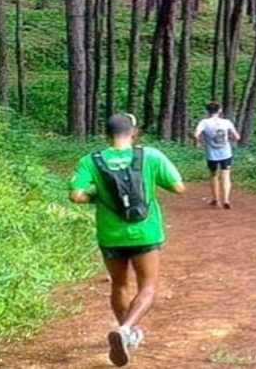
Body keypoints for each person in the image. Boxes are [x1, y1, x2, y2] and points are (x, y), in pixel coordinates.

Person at [70, 113, 185, 367]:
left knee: (119, 285)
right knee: (148, 286)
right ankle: (125, 330)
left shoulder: (90, 161)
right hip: (146, 232)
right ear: (134, 133)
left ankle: (128, 334)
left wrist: (96, 196)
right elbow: (179, 187)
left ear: (105, 134)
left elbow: (76, 195)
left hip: (110, 235)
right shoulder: (151, 156)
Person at [192, 101, 241, 209]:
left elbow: (195, 135)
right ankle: (226, 199)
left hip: (211, 155)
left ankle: (215, 199)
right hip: (226, 153)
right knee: (226, 175)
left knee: (214, 175)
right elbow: (237, 137)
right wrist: (229, 140)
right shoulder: (227, 122)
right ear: (220, 110)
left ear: (207, 111)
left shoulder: (204, 122)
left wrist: (197, 143)